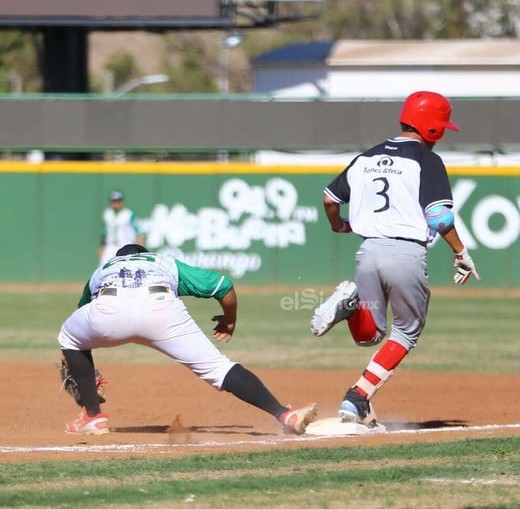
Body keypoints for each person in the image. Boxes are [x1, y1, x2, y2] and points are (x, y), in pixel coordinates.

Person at [308, 90, 480, 427]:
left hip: (367, 251)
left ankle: (350, 310)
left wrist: (339, 225)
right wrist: (461, 252)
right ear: (433, 128)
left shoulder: (365, 158)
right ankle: (357, 396)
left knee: (370, 335)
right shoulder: (426, 160)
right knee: (407, 332)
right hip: (405, 254)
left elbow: (330, 198)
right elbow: (440, 218)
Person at [58, 243, 318, 435]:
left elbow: (81, 313)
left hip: (108, 307)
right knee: (219, 368)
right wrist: (229, 320)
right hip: (160, 309)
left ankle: (93, 415)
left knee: (69, 338)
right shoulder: (162, 262)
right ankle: (284, 414)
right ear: (145, 253)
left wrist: (83, 368)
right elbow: (223, 285)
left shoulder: (103, 269)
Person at [99, 191, 145, 266]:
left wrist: (138, 248)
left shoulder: (129, 214)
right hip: (110, 247)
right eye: (114, 201)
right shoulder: (107, 214)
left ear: (122, 202)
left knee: (126, 268)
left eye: (118, 201)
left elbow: (139, 233)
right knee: (104, 268)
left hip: (125, 246)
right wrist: (101, 248)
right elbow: (105, 234)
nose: (116, 204)